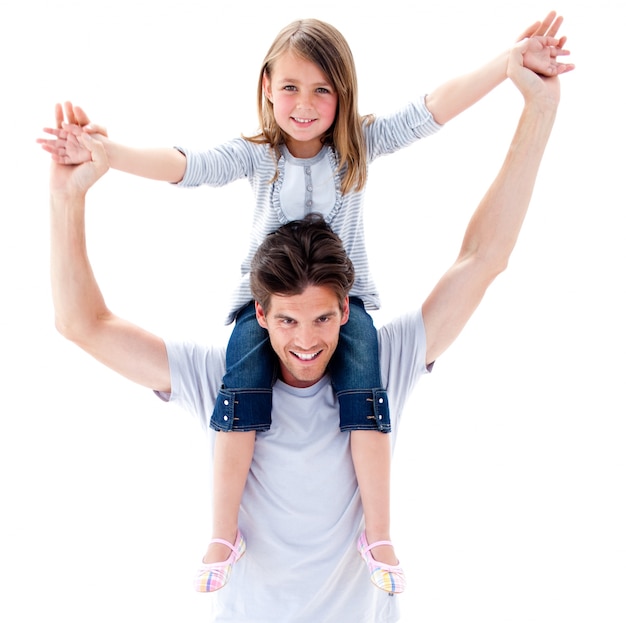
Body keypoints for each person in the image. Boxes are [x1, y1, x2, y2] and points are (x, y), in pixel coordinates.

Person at [40, 14, 573, 594]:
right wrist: (94, 168)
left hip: (358, 322)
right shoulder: (221, 371)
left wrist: (519, 84)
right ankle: (221, 534)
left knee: (366, 402)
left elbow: (475, 238)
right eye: (288, 319)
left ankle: (381, 534)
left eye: (322, 318)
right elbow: (173, 182)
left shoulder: (376, 356)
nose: (305, 340)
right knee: (240, 401)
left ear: (344, 311)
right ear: (266, 86)